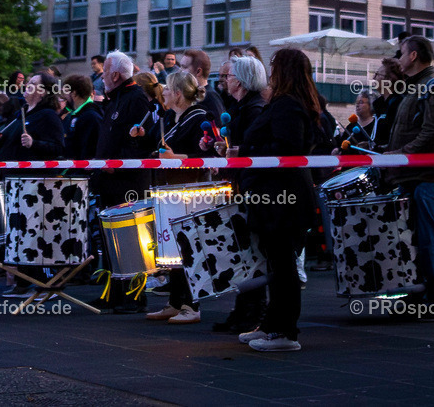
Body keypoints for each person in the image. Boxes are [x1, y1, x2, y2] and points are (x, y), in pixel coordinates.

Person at [236, 48, 320, 352]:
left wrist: (252, 153)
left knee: (283, 266)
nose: (270, 71)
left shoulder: (287, 105)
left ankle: (285, 331)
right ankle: (273, 324)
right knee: (277, 263)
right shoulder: (288, 103)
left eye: (274, 66)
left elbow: (287, 148)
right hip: (278, 196)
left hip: (282, 198)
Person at [135, 71, 212, 324]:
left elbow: (206, 156)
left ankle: (192, 304)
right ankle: (176, 302)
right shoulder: (171, 117)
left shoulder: (198, 117)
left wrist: (176, 158)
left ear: (178, 94)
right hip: (170, 190)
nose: (163, 93)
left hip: (189, 191)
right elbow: (157, 148)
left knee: (188, 247)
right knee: (174, 249)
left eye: (167, 89)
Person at [0, 71, 65, 297]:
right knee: (20, 232)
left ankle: (45, 282)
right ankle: (24, 281)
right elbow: (11, 144)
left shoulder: (48, 115)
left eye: (32, 84)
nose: (27, 86)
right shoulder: (21, 112)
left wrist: (35, 144)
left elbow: (58, 148)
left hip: (34, 185)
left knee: (34, 233)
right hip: (15, 182)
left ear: (43, 92)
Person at [207, 55, 269, 334]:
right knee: (243, 250)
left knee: (251, 251)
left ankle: (254, 311)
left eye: (229, 76)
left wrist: (235, 151)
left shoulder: (254, 109)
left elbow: (255, 148)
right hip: (241, 183)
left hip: (251, 186)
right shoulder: (241, 107)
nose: (225, 80)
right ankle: (243, 309)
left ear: (242, 80)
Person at [384, 35, 434, 316]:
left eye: (401, 53)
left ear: (413, 56)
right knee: (413, 241)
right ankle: (418, 293)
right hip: (413, 176)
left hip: (427, 178)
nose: (398, 58)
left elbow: (433, 131)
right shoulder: (416, 88)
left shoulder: (433, 87)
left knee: (430, 240)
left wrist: (401, 154)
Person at [94, 51, 154, 313]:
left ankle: (134, 296)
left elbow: (142, 141)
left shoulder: (136, 99)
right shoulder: (115, 99)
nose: (102, 76)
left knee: (130, 240)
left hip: (128, 181)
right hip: (109, 181)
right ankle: (112, 293)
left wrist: (117, 162)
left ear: (116, 75)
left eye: (105, 72)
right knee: (110, 240)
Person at [61, 74, 104, 160]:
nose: (63, 97)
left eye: (65, 92)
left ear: (74, 93)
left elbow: (89, 150)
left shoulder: (91, 117)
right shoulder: (73, 115)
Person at [180, 48, 225, 122]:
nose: (180, 71)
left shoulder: (210, 97)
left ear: (198, 71)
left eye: (184, 67)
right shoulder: (194, 95)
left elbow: (218, 126)